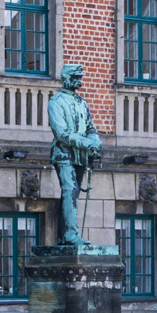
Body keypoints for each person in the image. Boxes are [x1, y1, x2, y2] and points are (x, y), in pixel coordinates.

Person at [47, 62, 102, 246]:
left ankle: (64, 236)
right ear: (65, 78)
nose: (79, 81)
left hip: (80, 156)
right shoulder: (56, 102)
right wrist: (87, 143)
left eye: (80, 78)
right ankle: (70, 234)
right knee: (70, 190)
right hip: (63, 154)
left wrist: (95, 142)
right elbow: (61, 133)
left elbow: (90, 128)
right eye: (75, 78)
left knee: (73, 193)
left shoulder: (82, 103)